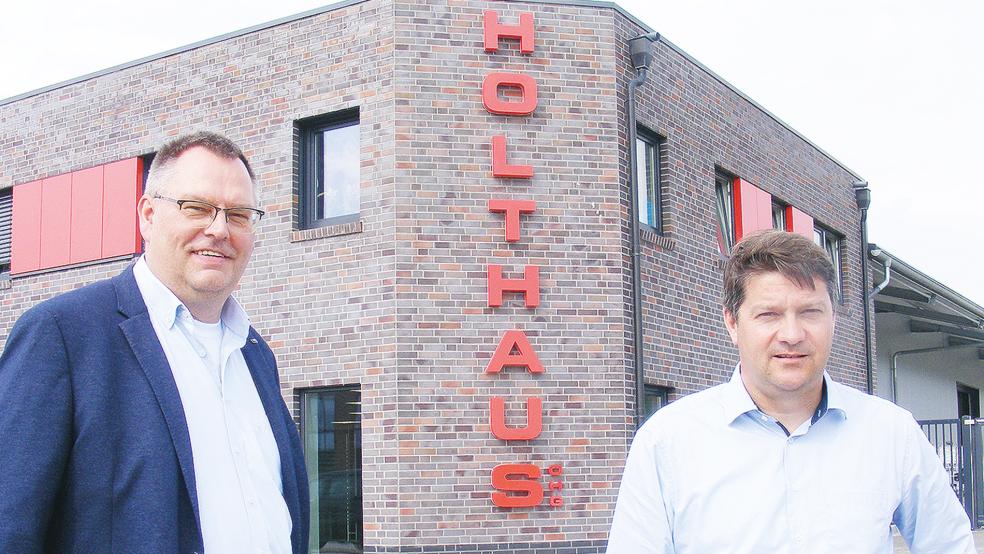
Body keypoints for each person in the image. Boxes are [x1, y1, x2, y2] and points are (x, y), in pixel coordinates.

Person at [0, 132, 308, 553]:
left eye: (238, 215)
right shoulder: (63, 336)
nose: (219, 229)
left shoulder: (255, 355)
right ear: (147, 215)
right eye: (196, 207)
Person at [607, 229, 974, 553]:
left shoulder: (892, 433)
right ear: (733, 323)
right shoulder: (667, 441)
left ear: (833, 319)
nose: (792, 334)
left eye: (810, 312)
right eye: (769, 315)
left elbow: (948, 544)